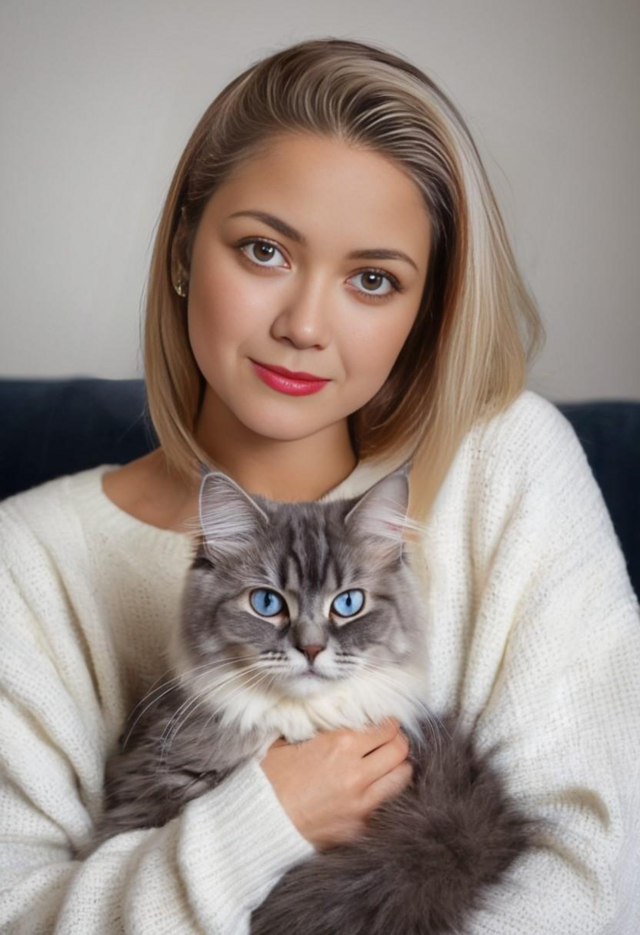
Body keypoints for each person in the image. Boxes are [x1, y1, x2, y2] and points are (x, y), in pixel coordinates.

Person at [1, 36, 639, 935]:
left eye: (373, 279)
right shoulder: (27, 561)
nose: (304, 325)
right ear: (183, 251)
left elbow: (593, 872)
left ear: (426, 313)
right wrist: (262, 821)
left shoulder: (508, 460)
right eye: (265, 251)